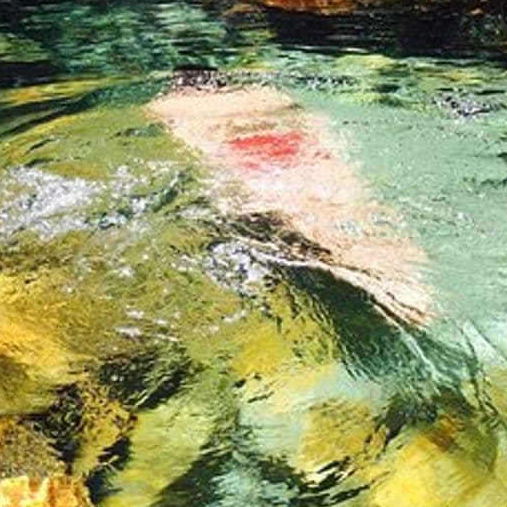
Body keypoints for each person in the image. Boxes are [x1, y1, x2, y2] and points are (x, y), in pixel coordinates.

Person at [149, 78, 433, 324]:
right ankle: (410, 283)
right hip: (305, 150)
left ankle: (396, 290)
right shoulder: (268, 92)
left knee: (313, 223)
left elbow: (194, 148)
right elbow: (316, 121)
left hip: (251, 161)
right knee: (356, 211)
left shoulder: (167, 106)